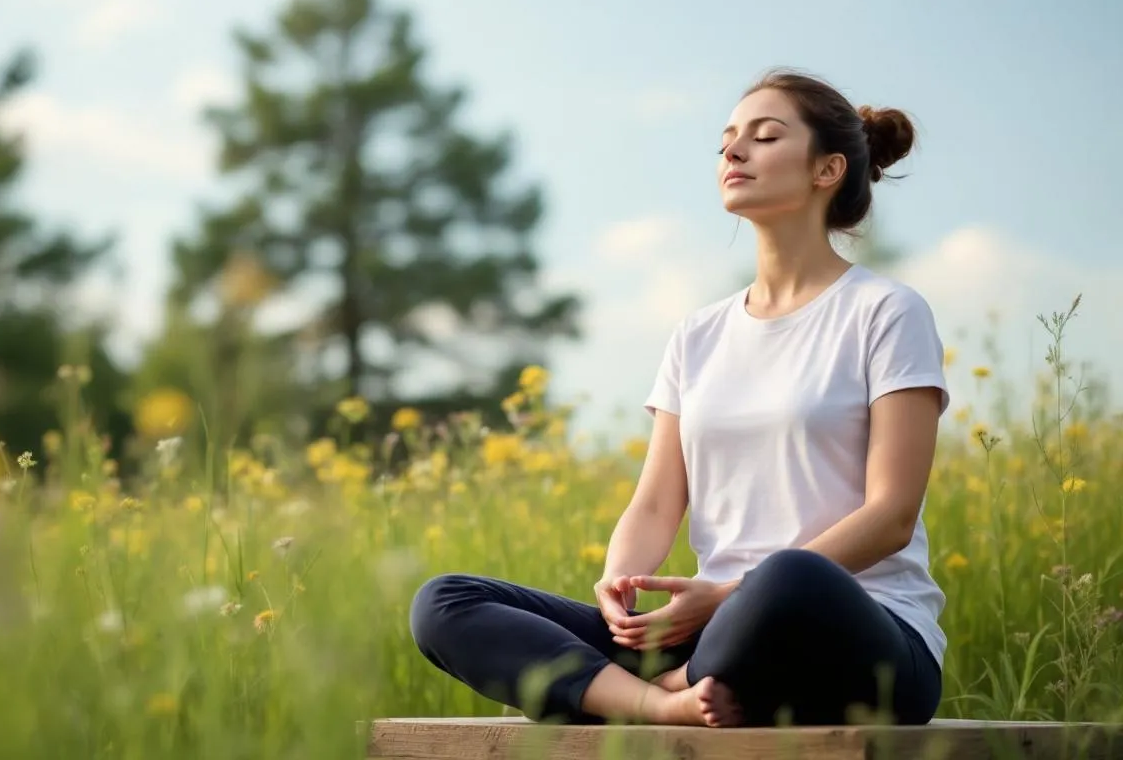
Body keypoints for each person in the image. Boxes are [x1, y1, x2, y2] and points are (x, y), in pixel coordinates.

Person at [407, 67, 950, 728]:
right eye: (727, 139)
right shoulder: (699, 335)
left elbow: (892, 514)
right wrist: (620, 588)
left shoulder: (885, 311)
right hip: (711, 630)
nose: (734, 151)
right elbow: (657, 502)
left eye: (765, 136)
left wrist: (727, 597)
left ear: (827, 169)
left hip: (848, 632)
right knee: (446, 601)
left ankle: (653, 687)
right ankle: (659, 704)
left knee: (787, 578)